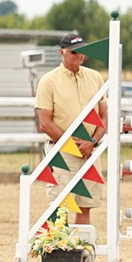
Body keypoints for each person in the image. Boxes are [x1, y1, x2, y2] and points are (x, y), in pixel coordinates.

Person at [35, 33, 107, 225]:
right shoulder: (48, 81)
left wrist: (92, 142)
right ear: (62, 52)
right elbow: (45, 122)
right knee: (60, 204)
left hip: (89, 149)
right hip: (61, 150)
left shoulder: (95, 77)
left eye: (82, 51)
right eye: (73, 51)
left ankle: (81, 250)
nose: (78, 55)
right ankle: (60, 251)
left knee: (86, 204)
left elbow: (104, 116)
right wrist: (73, 145)